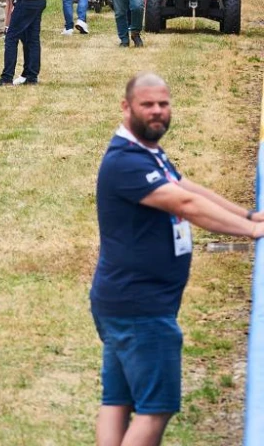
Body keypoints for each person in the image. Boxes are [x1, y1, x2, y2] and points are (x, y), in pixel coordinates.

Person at [90, 74, 264, 446]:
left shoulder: (145, 151)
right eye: (147, 104)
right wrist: (251, 231)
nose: (157, 111)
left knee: (118, 400)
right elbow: (185, 204)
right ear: (126, 107)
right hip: (141, 307)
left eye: (163, 104)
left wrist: (249, 215)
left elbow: (185, 187)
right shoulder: (126, 161)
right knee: (156, 408)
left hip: (124, 301)